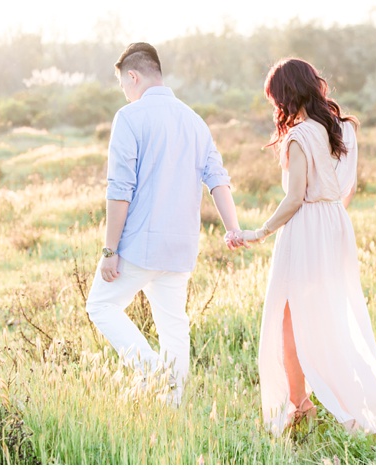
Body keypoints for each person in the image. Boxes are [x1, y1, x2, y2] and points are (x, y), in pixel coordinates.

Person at [236, 58, 376, 434]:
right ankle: (319, 401)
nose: (275, 107)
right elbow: (346, 189)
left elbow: (295, 198)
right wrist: (330, 218)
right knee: (331, 317)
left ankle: (300, 405)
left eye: (275, 99)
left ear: (286, 94)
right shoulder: (345, 129)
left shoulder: (299, 136)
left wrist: (260, 232)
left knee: (288, 320)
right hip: (336, 227)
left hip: (305, 231)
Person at [85, 42, 244, 407]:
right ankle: (172, 403)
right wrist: (232, 228)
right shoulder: (195, 120)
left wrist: (110, 250)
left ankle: (153, 374)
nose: (125, 94)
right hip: (181, 247)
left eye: (124, 85)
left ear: (133, 76)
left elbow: (120, 189)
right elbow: (218, 178)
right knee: (173, 325)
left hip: (140, 244)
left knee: (100, 307)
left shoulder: (130, 117)